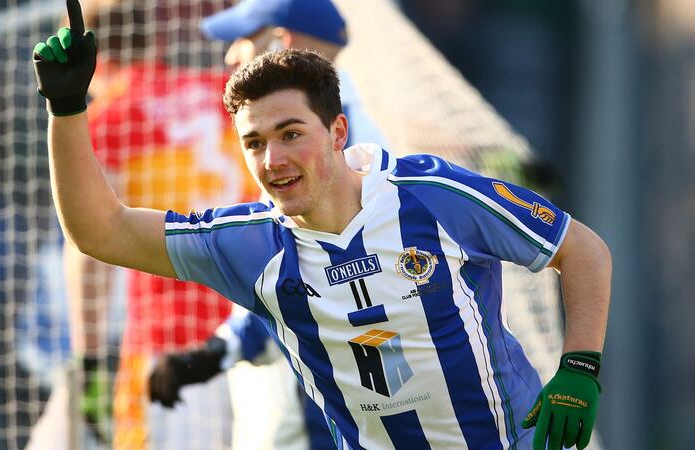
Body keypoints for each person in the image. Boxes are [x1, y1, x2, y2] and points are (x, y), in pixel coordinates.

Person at [32, 2, 611, 448]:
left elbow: (579, 247)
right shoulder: (252, 242)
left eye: (290, 135)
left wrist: (581, 367)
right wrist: (66, 109)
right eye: (253, 143)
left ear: (337, 132)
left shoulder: (433, 195)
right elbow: (100, 233)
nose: (272, 160)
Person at [147, 1, 388, 449]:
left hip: (314, 392)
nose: (231, 55)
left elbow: (304, 278)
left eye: (243, 39)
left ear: (282, 42)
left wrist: (221, 350)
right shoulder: (336, 132)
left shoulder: (322, 160)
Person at [29, 0, 257, 448]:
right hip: (259, 328)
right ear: (154, 41)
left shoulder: (111, 117)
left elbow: (87, 247)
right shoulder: (223, 94)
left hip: (170, 350)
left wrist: (89, 361)